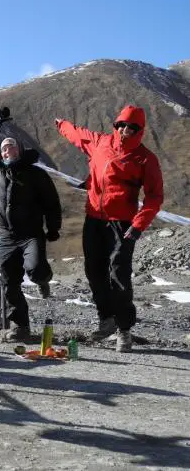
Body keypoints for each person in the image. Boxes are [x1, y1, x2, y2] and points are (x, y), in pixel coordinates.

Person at [54, 105, 164, 352]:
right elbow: (78, 135)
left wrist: (138, 225)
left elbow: (155, 197)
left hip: (122, 224)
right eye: (122, 124)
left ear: (140, 130)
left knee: (119, 275)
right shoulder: (101, 142)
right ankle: (107, 320)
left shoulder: (145, 159)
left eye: (132, 127)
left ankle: (124, 330)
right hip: (93, 218)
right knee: (94, 270)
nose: (126, 130)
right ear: (116, 125)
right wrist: (62, 124)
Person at [0, 107, 62, 342]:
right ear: (2, 154)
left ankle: (43, 280)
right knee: (8, 280)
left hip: (30, 234)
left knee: (35, 269)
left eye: (11, 146)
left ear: (20, 149)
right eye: (4, 148)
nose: (8, 150)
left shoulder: (35, 173)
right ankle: (20, 326)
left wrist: (53, 227)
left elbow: (51, 201)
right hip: (7, 237)